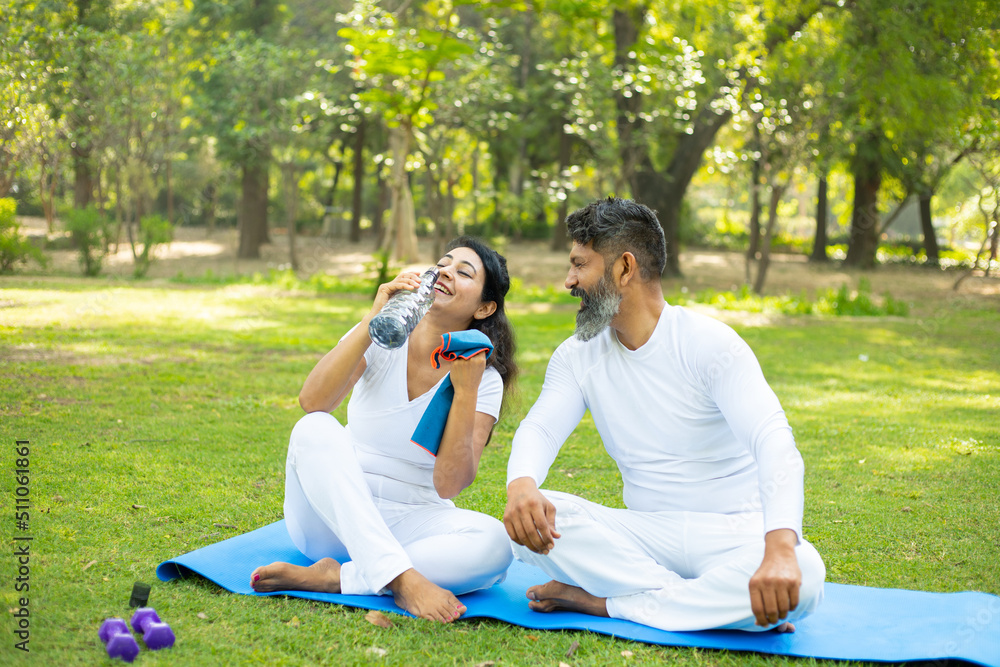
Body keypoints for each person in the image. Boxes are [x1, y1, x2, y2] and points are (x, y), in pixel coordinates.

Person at [503, 197, 825, 633]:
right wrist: (522, 485)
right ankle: (711, 605)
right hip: (644, 536)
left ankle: (604, 603)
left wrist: (781, 548)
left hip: (733, 533)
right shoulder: (577, 355)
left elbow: (773, 442)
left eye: (580, 265)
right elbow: (540, 427)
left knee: (803, 575)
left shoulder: (710, 343)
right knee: (536, 519)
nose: (568, 281)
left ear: (624, 268)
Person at [251, 236, 518, 624]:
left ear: (484, 307)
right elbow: (314, 401)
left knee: (495, 545)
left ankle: (338, 577)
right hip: (331, 517)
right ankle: (400, 578)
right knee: (315, 428)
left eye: (464, 272)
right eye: (443, 263)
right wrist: (372, 318)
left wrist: (466, 390)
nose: (445, 271)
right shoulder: (384, 334)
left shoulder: (484, 379)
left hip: (413, 517)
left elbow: (449, 485)